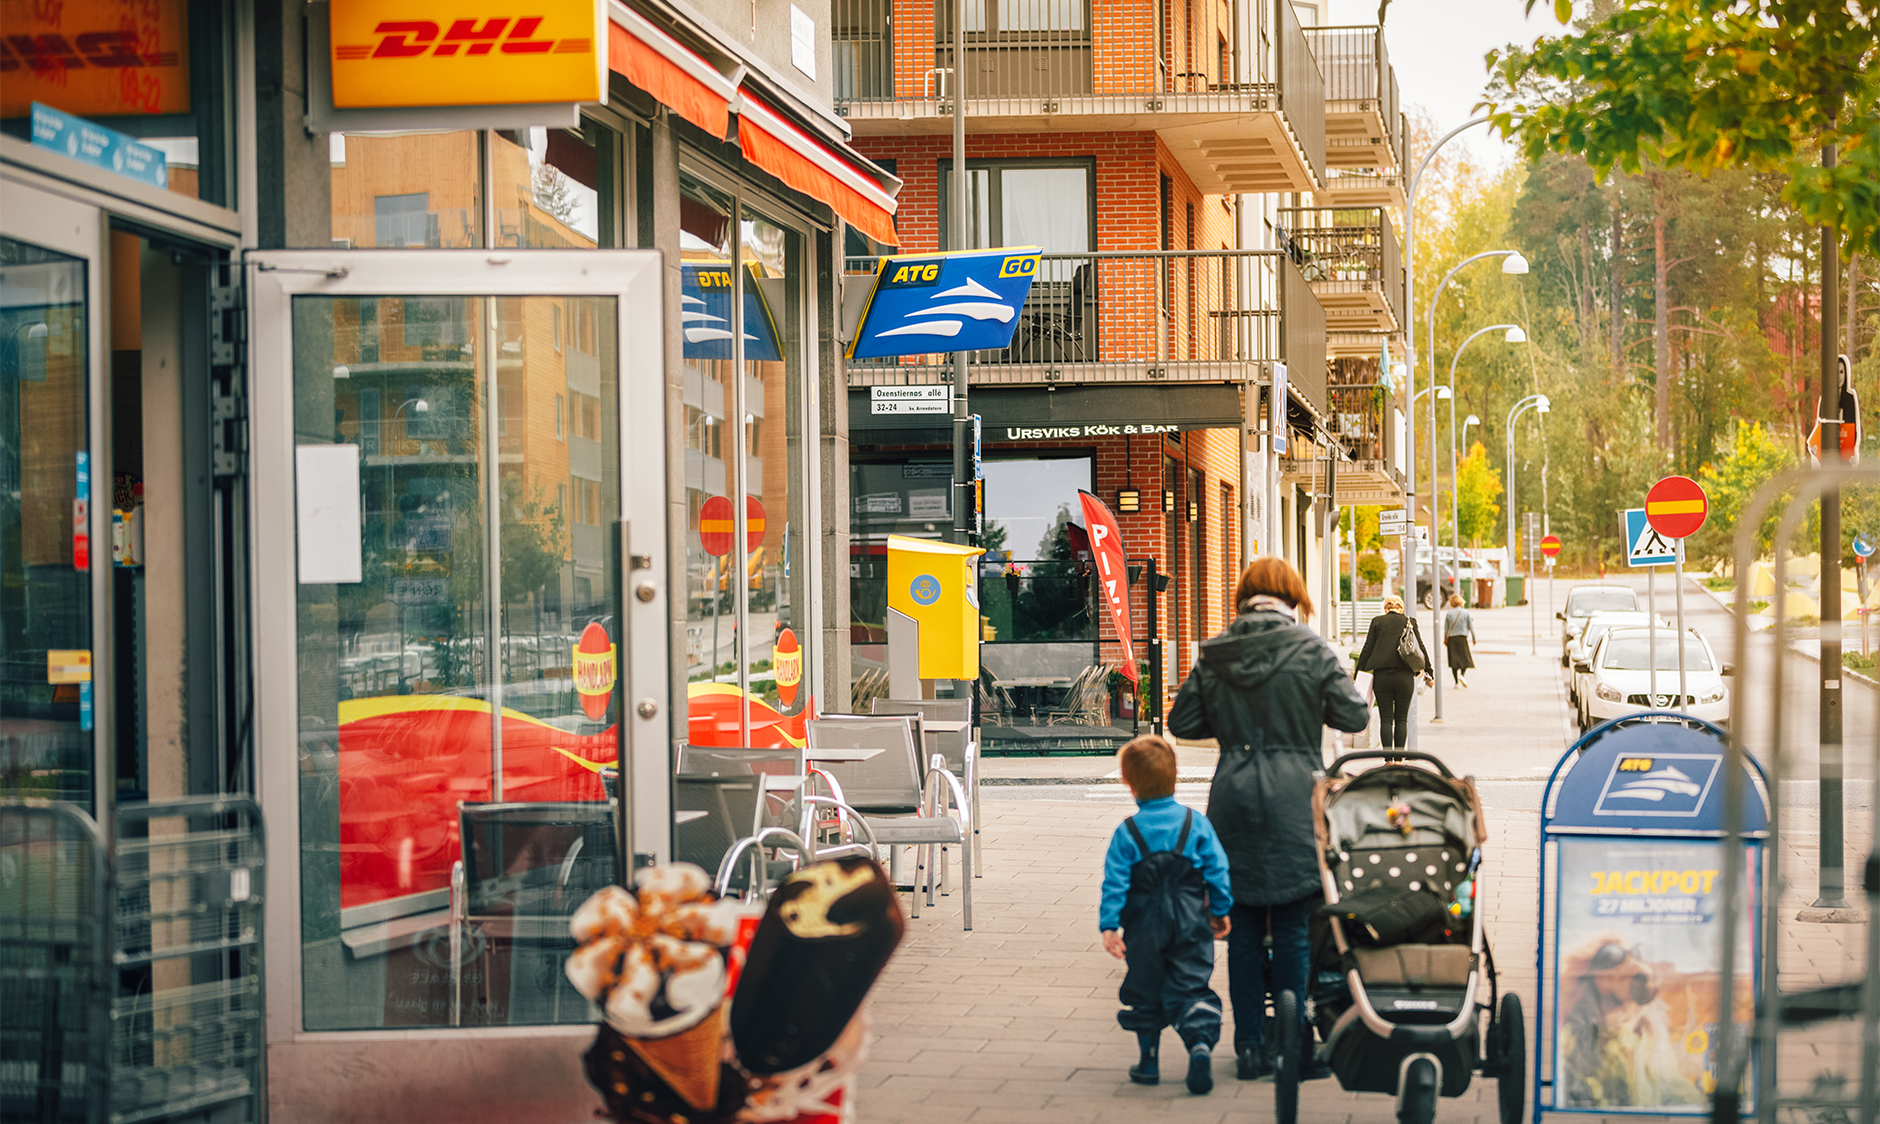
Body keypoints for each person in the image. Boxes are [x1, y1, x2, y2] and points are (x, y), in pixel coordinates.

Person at [1167, 558, 1370, 1081]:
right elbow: (1354, 716)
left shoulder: (1216, 653)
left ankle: (1251, 1048)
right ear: (1293, 596)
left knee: (1244, 927)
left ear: (1245, 597)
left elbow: (1182, 721)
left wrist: (1229, 714)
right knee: (1299, 925)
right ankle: (1295, 1046)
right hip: (1297, 797)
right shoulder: (1312, 648)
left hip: (1232, 796)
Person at [1099, 735, 1234, 1095]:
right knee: (1191, 983)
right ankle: (1200, 1043)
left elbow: (1115, 882)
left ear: (1128, 783)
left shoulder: (1127, 831)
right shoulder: (1196, 823)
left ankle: (1148, 1062)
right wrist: (1219, 911)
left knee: (1145, 989)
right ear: (1176, 777)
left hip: (1144, 924)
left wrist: (1110, 925)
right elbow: (1218, 869)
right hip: (1191, 919)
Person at [1356, 594, 1433, 750]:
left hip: (1382, 677)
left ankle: (1388, 759)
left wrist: (1359, 673)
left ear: (1386, 609)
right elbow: (1420, 648)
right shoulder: (1409, 622)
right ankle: (1398, 760)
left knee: (1386, 718)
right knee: (1401, 719)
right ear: (1401, 608)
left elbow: (1367, 649)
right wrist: (1429, 672)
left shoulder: (1377, 622)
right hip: (1404, 677)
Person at [1444, 592, 1478, 687]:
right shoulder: (1466, 612)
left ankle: (1456, 682)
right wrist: (1474, 638)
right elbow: (1471, 626)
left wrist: (1445, 638)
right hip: (1462, 638)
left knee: (1453, 660)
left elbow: (1446, 628)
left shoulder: (1449, 613)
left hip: (1452, 639)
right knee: (1465, 658)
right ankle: (1462, 675)